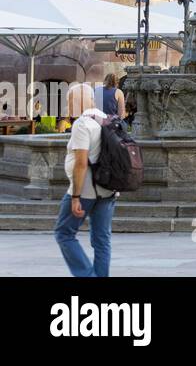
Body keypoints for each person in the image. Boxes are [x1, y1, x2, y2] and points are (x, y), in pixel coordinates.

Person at [54, 83, 117, 277]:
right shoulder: (106, 119)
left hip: (85, 190)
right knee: (102, 240)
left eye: (69, 101)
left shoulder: (83, 123)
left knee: (64, 233)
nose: (68, 106)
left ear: (77, 101)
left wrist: (75, 196)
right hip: (108, 188)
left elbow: (81, 163)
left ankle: (87, 275)